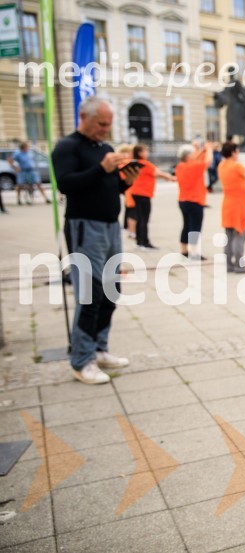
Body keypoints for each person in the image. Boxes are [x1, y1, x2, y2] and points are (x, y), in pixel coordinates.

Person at [52, 96, 139, 385]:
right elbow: (66, 184)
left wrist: (127, 180)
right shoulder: (68, 146)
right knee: (90, 294)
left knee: (111, 292)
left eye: (109, 124)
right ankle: (81, 360)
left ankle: (99, 348)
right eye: (101, 123)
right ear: (84, 116)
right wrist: (100, 169)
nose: (105, 129)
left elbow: (111, 187)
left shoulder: (106, 149)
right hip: (84, 227)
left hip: (110, 227)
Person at [219, 141, 245, 273]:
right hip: (239, 204)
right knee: (239, 235)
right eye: (237, 151)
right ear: (233, 152)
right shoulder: (237, 166)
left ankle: (228, 265)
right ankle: (239, 265)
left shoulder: (221, 165)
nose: (238, 154)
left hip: (227, 203)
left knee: (229, 236)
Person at [130, 143, 175, 250]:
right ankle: (144, 242)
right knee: (144, 218)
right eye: (145, 150)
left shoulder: (135, 163)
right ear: (140, 153)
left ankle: (139, 241)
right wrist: (171, 177)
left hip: (136, 192)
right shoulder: (144, 163)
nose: (147, 152)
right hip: (143, 193)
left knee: (140, 217)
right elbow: (158, 172)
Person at [176, 142, 213, 260]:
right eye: (192, 154)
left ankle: (184, 250)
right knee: (195, 227)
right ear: (188, 156)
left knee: (186, 225)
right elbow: (208, 162)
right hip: (195, 201)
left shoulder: (180, 166)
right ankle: (193, 252)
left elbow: (196, 159)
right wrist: (210, 149)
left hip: (183, 200)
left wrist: (201, 150)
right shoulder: (194, 166)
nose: (195, 155)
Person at [9, 141, 51, 205]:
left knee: (38, 183)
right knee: (20, 185)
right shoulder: (18, 153)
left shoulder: (29, 152)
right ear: (23, 148)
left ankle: (46, 198)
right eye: (26, 147)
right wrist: (16, 168)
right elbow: (10, 160)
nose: (28, 148)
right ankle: (18, 200)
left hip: (31, 170)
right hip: (23, 171)